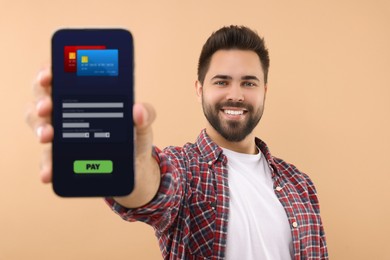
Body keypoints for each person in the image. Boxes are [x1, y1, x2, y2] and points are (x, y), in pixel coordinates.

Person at [27, 25, 328, 259]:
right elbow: (151, 189)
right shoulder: (184, 168)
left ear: (264, 90)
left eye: (248, 82)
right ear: (199, 89)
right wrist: (125, 163)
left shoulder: (300, 184)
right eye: (221, 81)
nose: (235, 94)